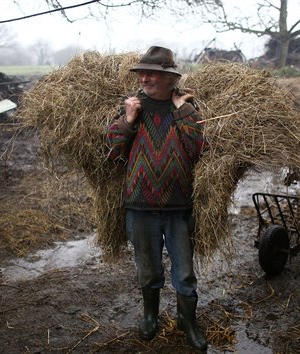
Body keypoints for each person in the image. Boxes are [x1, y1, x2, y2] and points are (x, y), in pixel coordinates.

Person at [105, 46, 208, 352]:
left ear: (168, 78)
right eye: (142, 73)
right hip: (140, 205)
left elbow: (198, 150)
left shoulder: (187, 109)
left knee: (185, 272)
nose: (144, 78)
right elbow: (111, 151)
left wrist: (182, 110)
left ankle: (187, 320)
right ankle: (150, 316)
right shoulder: (132, 106)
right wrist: (128, 118)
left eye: (151, 73)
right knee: (147, 269)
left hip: (179, 206)